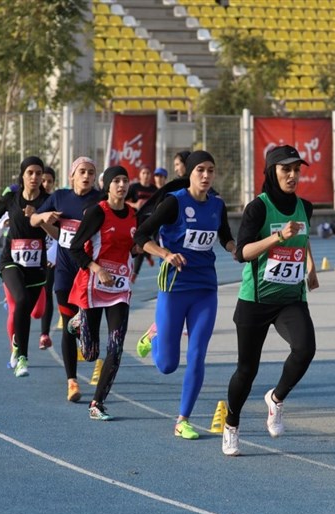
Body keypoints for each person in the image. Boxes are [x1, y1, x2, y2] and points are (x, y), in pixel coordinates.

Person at [222, 145, 319, 457]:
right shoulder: (258, 208)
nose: (292, 176)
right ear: (271, 172)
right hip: (256, 299)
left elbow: (303, 238)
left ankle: (276, 399)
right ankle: (231, 424)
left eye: (296, 170)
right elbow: (242, 253)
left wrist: (310, 265)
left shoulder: (305, 207)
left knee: (305, 349)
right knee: (246, 371)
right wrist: (278, 237)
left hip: (291, 297)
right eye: (285, 170)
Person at [134, 150, 236, 440]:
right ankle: (154, 334)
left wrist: (235, 249)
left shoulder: (217, 205)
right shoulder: (174, 203)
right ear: (190, 173)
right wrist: (165, 253)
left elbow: (225, 236)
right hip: (175, 288)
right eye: (200, 170)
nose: (206, 175)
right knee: (167, 365)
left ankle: (183, 420)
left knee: (197, 355)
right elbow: (140, 236)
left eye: (210, 170)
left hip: (205, 289)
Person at [30, 157, 104, 402]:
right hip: (64, 272)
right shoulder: (60, 197)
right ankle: (72, 381)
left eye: (91, 172)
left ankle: (87, 338)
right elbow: (33, 219)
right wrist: (44, 217)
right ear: (72, 175)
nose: (86, 176)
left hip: (89, 272)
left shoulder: (100, 200)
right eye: (82, 172)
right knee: (67, 325)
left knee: (90, 338)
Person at [66, 166, 137, 421]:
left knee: (115, 348)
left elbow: (136, 246)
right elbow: (75, 248)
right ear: (107, 186)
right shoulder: (98, 212)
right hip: (93, 286)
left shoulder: (133, 214)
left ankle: (97, 404)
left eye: (125, 180)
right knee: (90, 354)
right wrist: (97, 268)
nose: (121, 185)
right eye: (116, 180)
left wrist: (138, 258)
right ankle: (77, 322)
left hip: (119, 289)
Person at [0, 156, 50, 378]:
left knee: (27, 312)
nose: (34, 177)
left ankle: (17, 342)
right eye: (30, 173)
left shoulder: (48, 201)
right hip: (11, 261)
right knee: (21, 300)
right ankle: (23, 358)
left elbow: (57, 230)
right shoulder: (11, 198)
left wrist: (39, 218)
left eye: (38, 173)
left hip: (36, 265)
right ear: (22, 175)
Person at [38, 166, 58, 350]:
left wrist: (52, 254)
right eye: (43, 180)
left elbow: (61, 234)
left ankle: (44, 334)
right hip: (31, 255)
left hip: (50, 257)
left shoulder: (57, 205)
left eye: (49, 181)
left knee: (47, 291)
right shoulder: (31, 202)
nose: (45, 184)